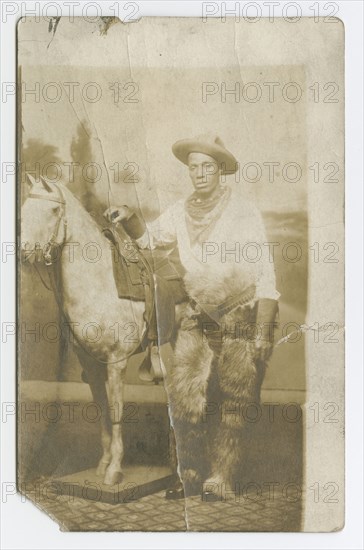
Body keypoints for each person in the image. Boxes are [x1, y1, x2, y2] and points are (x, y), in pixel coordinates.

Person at [105, 135, 279, 501]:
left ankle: (223, 476)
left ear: (220, 171)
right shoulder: (178, 211)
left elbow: (266, 274)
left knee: (233, 399)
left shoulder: (243, 211)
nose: (199, 174)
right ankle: (193, 473)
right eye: (194, 167)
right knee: (187, 398)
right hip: (197, 315)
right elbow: (150, 239)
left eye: (207, 167)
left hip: (239, 313)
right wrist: (129, 217)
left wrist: (263, 332)